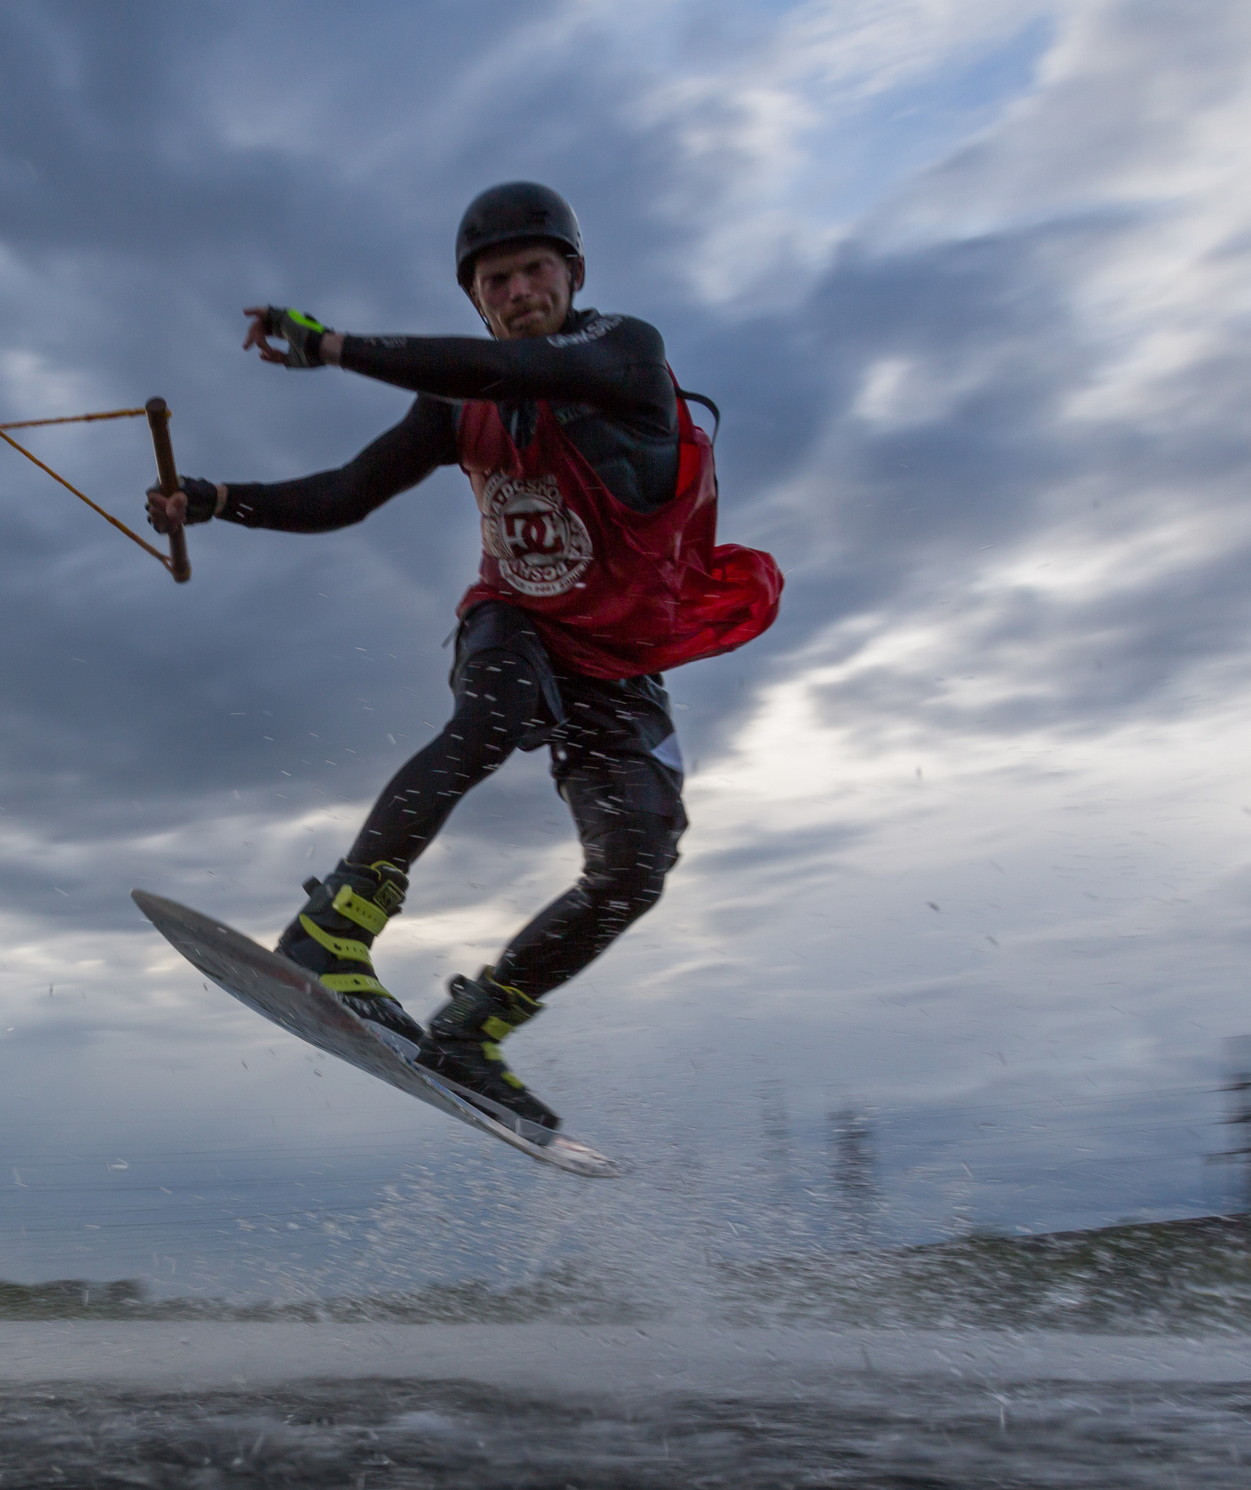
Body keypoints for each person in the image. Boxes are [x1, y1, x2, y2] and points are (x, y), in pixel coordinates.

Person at [148, 182, 782, 1141]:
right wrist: (217, 497)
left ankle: (476, 1026)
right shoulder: (461, 401)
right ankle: (336, 928)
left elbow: (505, 369)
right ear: (476, 299)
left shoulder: (627, 354)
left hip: (619, 657)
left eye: (537, 270)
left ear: (574, 275)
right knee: (488, 715)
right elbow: (350, 491)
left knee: (636, 866)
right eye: (496, 281)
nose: (520, 289)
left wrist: (332, 345)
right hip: (515, 620)